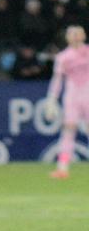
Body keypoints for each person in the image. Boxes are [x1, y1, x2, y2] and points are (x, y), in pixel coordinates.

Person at [45, 24, 89, 179]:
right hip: (72, 97)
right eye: (72, 34)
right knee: (69, 130)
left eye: (78, 33)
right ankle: (62, 168)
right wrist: (51, 99)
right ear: (67, 37)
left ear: (83, 35)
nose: (75, 37)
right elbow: (57, 80)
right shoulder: (63, 57)